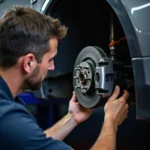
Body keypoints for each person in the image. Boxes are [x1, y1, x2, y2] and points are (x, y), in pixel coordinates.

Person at [0, 6, 129, 150]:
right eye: (50, 60)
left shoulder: (8, 107)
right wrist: (111, 121)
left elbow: (31, 145)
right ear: (28, 63)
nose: (53, 67)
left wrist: (71, 118)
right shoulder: (6, 116)